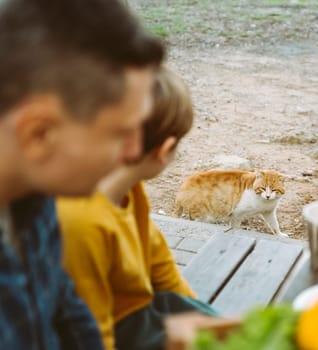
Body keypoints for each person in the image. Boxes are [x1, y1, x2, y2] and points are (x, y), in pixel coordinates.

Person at [0, 0, 165, 348]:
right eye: (121, 132)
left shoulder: (37, 197)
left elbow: (66, 308)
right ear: (39, 133)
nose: (136, 152)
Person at [57, 67, 217, 350]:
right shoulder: (80, 221)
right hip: (115, 331)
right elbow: (89, 332)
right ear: (164, 148)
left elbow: (158, 260)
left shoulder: (128, 185)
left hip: (142, 310)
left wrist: (199, 319)